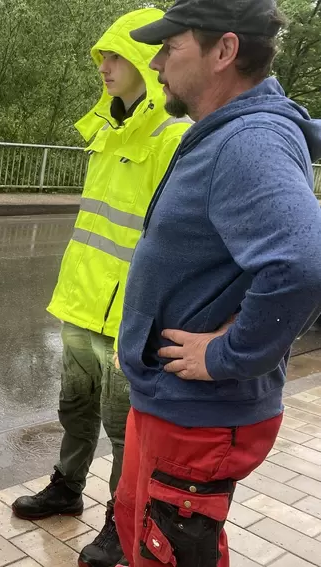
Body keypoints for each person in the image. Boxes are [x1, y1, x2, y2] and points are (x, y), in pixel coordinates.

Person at [114, 0, 321, 565]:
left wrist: (230, 353)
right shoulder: (231, 131)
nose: (155, 63)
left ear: (224, 51)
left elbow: (303, 263)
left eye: (170, 46)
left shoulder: (246, 141)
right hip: (174, 404)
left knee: (171, 551)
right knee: (144, 538)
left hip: (199, 413)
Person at [12, 8, 192, 567]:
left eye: (114, 56)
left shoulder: (173, 136)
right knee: (75, 408)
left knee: (123, 429)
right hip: (81, 302)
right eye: (100, 57)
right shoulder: (107, 128)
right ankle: (67, 488)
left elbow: (173, 242)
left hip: (128, 317)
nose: (104, 68)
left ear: (144, 59)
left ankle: (123, 520)